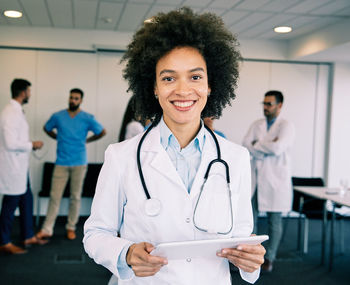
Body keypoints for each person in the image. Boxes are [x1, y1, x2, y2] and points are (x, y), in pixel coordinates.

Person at [83, 7, 265, 285]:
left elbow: (242, 235)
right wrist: (126, 253)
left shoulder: (235, 158)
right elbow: (95, 233)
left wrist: (250, 261)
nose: (182, 90)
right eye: (168, 78)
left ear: (210, 85)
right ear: (153, 87)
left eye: (195, 77)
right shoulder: (121, 156)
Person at [36, 88, 106, 241]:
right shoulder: (58, 116)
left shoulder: (87, 118)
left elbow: (102, 131)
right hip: (61, 162)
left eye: (76, 98)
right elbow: (47, 128)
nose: (73, 100)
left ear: (80, 100)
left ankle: (71, 227)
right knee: (55, 197)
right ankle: (47, 229)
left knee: (75, 197)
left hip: (79, 163)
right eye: (71, 97)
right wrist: (58, 137)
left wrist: (87, 140)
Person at [242, 90, 295, 272]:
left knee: (274, 221)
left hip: (275, 180)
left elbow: (278, 148)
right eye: (264, 103)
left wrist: (258, 144)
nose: (265, 107)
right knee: (251, 219)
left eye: (269, 104)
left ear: (279, 105)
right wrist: (267, 144)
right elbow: (246, 146)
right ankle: (252, 255)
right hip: (256, 178)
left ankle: (269, 257)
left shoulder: (286, 126)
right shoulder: (256, 124)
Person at [0, 79, 47, 254]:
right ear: (22, 92)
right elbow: (10, 143)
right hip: (13, 167)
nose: (30, 94)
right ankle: (4, 241)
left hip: (20, 166)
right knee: (10, 204)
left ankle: (28, 235)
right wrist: (31, 144)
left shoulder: (17, 111)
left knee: (26, 198)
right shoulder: (10, 113)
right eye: (29, 91)